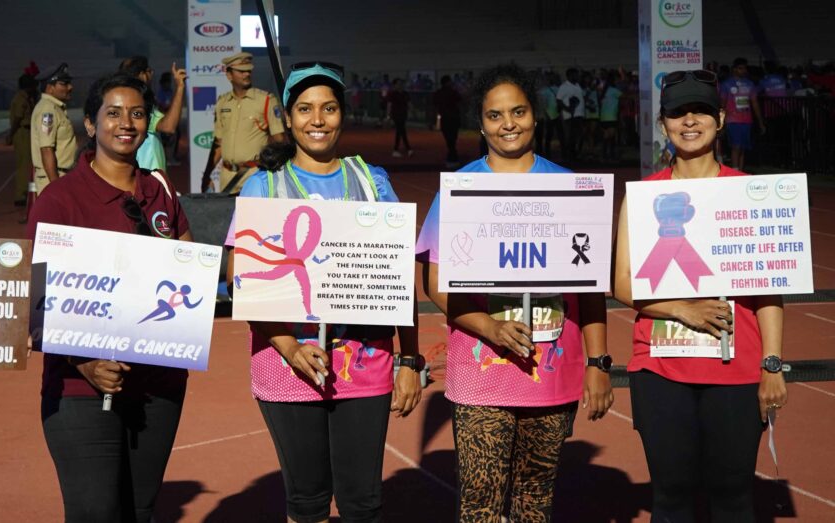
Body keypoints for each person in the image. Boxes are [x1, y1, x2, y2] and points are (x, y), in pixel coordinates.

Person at [224, 63, 422, 523]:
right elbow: (243, 280)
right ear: (289, 118)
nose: (318, 119)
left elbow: (397, 276)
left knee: (362, 503)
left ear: (342, 115)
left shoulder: (372, 182)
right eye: (306, 109)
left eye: (328, 108)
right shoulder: (264, 186)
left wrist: (410, 360)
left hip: (366, 362)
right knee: (307, 501)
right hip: (287, 363)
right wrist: (289, 345)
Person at [416, 64, 612, 522]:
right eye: (495, 115)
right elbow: (435, 282)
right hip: (482, 372)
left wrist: (600, 364)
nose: (508, 124)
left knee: (534, 503)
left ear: (535, 116)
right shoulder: (460, 191)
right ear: (480, 123)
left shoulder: (570, 187)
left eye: (518, 111)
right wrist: (490, 327)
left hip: (551, 375)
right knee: (481, 504)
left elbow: (590, 292)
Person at [613, 69, 786, 522]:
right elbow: (624, 282)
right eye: (678, 113)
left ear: (722, 119)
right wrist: (681, 309)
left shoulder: (749, 193)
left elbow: (769, 291)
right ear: (663, 124)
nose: (690, 121)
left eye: (702, 111)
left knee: (733, 496)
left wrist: (772, 365)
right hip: (661, 369)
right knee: (670, 496)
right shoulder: (643, 195)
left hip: (738, 369)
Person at [27, 73, 192, 523]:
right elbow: (35, 302)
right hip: (81, 387)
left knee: (140, 509)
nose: (127, 123)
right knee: (96, 512)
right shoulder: (59, 200)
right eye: (113, 113)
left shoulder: (160, 191)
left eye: (137, 113)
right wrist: (83, 363)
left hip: (159, 383)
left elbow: (187, 270)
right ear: (89, 124)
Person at [201, 52, 286, 194]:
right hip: (227, 176)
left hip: (255, 174)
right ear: (229, 75)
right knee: (228, 215)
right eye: (241, 71)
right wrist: (206, 175)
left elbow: (280, 140)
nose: (246, 74)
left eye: (248, 70)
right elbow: (218, 144)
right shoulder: (222, 102)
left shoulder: (266, 100)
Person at [117, 56, 187, 173]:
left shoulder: (119, 100)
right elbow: (168, 127)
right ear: (142, 74)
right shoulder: (140, 103)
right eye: (149, 71)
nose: (152, 74)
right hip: (148, 175)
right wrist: (180, 87)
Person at [30, 62, 78, 195]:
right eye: (64, 84)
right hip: (54, 178)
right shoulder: (48, 111)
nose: (70, 87)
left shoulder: (55, 108)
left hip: (61, 176)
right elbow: (46, 149)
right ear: (50, 87)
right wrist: (56, 187)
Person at [720, 58, 765, 171]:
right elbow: (722, 104)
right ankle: (735, 172)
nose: (743, 70)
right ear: (734, 69)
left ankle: (740, 171)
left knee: (743, 148)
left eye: (745, 68)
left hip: (746, 120)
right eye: (740, 68)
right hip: (732, 120)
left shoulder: (749, 84)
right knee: (736, 146)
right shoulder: (726, 84)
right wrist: (721, 122)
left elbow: (754, 104)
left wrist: (760, 122)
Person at [8, 72, 38, 205]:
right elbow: (18, 118)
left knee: (27, 164)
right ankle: (21, 195)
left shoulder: (26, 97)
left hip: (26, 132)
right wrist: (11, 134)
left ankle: (26, 191)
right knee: (23, 165)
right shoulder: (21, 98)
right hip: (22, 132)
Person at [433, 75, 462, 167]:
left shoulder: (439, 93)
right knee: (452, 138)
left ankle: (452, 156)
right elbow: (460, 100)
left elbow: (435, 105)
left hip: (445, 118)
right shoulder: (453, 92)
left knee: (449, 139)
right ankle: (453, 157)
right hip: (453, 118)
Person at [556, 68, 584, 163]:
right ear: (569, 76)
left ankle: (574, 155)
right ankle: (569, 156)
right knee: (571, 136)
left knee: (578, 136)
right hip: (570, 116)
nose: (577, 76)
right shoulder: (564, 87)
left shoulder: (577, 85)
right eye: (575, 75)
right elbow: (559, 100)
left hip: (579, 114)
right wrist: (567, 109)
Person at [387, 78, 412, 157]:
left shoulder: (405, 93)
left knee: (401, 131)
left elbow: (409, 103)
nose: (400, 85)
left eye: (401, 83)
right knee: (401, 130)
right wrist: (388, 115)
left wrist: (411, 111)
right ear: (394, 85)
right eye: (398, 84)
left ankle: (404, 149)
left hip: (403, 113)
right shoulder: (392, 94)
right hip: (396, 114)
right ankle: (403, 148)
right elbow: (389, 105)